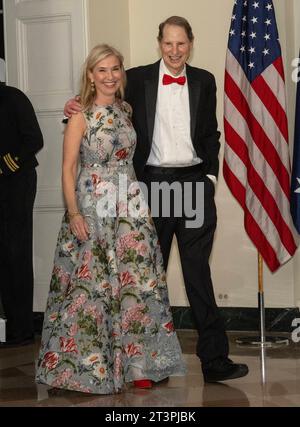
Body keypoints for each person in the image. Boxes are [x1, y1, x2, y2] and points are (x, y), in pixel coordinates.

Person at [64, 16, 249, 383]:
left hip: (194, 185)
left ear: (190, 44)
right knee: (149, 279)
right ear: (159, 43)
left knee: (198, 274)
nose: (175, 51)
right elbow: (101, 107)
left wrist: (209, 179)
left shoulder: (204, 80)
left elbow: (212, 134)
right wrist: (73, 106)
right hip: (151, 189)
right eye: (168, 43)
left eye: (181, 44)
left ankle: (215, 361)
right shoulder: (135, 78)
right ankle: (151, 363)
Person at [35, 44, 185, 395]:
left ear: (122, 73)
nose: (109, 76)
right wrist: (74, 213)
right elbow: (68, 168)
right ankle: (85, 366)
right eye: (101, 70)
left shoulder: (126, 108)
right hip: (92, 206)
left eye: (115, 68)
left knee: (137, 284)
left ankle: (138, 364)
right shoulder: (79, 115)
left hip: (129, 204)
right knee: (93, 288)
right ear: (90, 75)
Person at [0, 83, 43, 348]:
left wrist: (4, 165)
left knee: (16, 253)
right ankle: (10, 326)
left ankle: (22, 329)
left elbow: (34, 140)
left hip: (16, 183)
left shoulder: (13, 97)